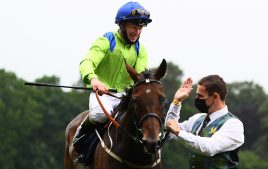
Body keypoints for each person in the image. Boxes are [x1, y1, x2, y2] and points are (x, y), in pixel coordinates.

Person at [72, 1, 152, 165]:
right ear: (122, 25)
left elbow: (139, 76)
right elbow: (87, 62)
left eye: (140, 28)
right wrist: (94, 79)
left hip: (125, 96)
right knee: (100, 115)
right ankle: (81, 140)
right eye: (133, 26)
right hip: (102, 94)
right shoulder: (107, 40)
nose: (136, 31)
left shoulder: (141, 50)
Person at [166, 75, 244, 169]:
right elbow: (169, 131)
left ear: (215, 96)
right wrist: (176, 102)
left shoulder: (233, 124)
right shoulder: (197, 118)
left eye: (200, 96)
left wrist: (179, 132)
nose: (196, 98)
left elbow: (210, 148)